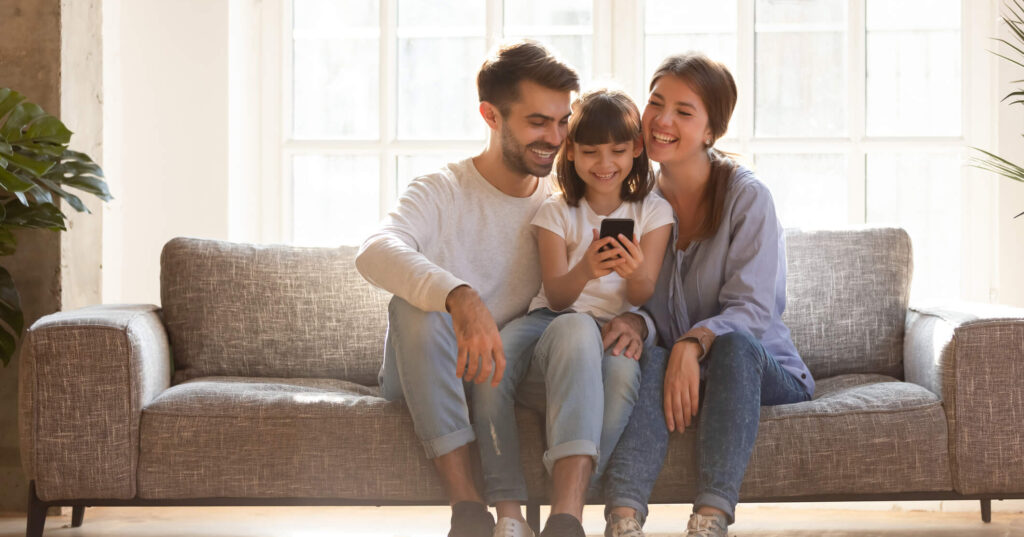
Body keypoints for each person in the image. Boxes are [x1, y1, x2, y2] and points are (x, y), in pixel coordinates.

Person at [356, 41, 649, 537]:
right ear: (490, 116)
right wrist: (458, 296)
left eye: (562, 122)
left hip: (515, 368)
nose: (554, 138)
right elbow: (375, 250)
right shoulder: (441, 189)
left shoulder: (564, 206)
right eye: (538, 122)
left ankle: (566, 519)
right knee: (413, 310)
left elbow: (609, 288)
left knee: (587, 338)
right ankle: (469, 512)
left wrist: (638, 319)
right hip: (433, 366)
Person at [599, 53, 816, 537]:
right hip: (679, 367)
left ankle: (710, 519)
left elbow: (755, 311)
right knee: (645, 358)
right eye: (656, 102)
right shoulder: (636, 204)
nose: (662, 120)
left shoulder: (747, 196)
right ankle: (624, 518)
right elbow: (639, 299)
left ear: (711, 131)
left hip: (758, 369)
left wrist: (694, 341)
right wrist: (636, 323)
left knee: (735, 346)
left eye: (684, 110)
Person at [472, 89, 673, 537]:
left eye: (618, 151)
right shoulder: (556, 212)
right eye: (590, 152)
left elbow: (643, 293)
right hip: (550, 322)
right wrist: (586, 267)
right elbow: (560, 297)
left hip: (613, 329)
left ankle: (570, 501)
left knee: (621, 377)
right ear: (572, 153)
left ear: (636, 149)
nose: (605, 164)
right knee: (492, 365)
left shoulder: (654, 212)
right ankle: (508, 509)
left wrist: (634, 269)